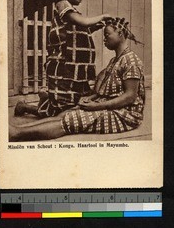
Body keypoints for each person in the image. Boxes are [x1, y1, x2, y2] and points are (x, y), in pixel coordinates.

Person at [10, 17, 145, 141]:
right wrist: (90, 100)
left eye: (107, 35)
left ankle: (17, 134)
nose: (104, 39)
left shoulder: (131, 61)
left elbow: (130, 97)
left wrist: (97, 106)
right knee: (66, 113)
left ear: (120, 33)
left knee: (71, 120)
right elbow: (103, 92)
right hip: (108, 105)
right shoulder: (115, 60)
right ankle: (20, 129)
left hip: (125, 114)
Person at [14, 0, 111, 118]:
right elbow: (83, 22)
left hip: (73, 69)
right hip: (64, 66)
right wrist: (102, 17)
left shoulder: (72, 13)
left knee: (74, 101)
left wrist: (97, 26)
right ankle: (26, 106)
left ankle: (46, 98)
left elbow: (81, 30)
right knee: (62, 109)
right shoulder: (63, 5)